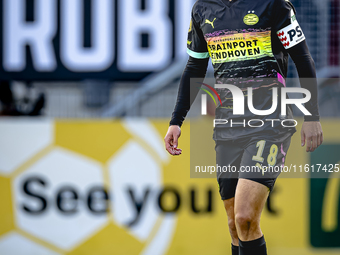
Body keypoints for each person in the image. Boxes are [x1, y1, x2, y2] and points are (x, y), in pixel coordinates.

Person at [164, 0, 323, 254]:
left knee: (245, 217)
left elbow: (302, 58)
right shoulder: (202, 9)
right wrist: (176, 121)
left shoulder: (274, 4)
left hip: (270, 122)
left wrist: (311, 116)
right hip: (228, 126)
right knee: (234, 225)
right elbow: (194, 67)